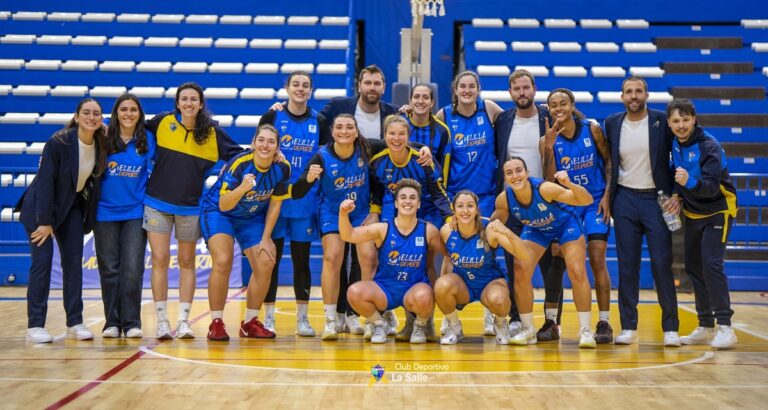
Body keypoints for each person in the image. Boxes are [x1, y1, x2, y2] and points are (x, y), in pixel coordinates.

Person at [144, 82, 243, 339]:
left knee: (187, 262)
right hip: (156, 204)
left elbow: (240, 157)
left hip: (190, 207)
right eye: (184, 99)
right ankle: (162, 321)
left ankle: (184, 321)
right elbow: (130, 131)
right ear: (177, 103)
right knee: (160, 260)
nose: (188, 103)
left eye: (193, 100)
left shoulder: (213, 133)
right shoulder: (162, 123)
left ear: (201, 104)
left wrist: (267, 156)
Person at [17, 98, 106, 343]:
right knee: (42, 263)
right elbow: (45, 184)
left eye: (96, 113)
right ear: (77, 117)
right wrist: (45, 222)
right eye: (86, 113)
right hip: (40, 209)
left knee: (73, 265)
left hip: (71, 209)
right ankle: (35, 325)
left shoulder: (101, 143)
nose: (91, 117)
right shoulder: (59, 142)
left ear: (101, 119)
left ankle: (75, 322)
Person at [604, 76, 681, 346]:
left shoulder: (662, 121)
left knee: (662, 263)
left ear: (646, 95)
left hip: (656, 200)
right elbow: (610, 163)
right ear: (622, 96)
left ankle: (671, 328)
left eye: (638, 91)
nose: (634, 96)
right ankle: (628, 327)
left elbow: (680, 155)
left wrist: (676, 193)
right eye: (629, 92)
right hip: (624, 199)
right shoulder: (612, 123)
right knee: (628, 266)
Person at [493, 69, 566, 341]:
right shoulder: (503, 120)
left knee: (551, 265)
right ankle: (517, 319)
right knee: (516, 266)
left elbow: (575, 119)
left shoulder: (549, 117)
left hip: (546, 202)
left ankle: (551, 322)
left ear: (534, 89)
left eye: (526, 88)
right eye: (516, 89)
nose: (521, 93)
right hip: (514, 203)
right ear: (510, 93)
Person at [493, 157, 597, 348]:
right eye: (509, 173)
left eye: (519, 170)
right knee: (520, 270)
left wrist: (569, 184)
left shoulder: (545, 188)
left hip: (566, 225)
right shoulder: (504, 199)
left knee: (577, 271)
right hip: (537, 229)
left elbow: (587, 200)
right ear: (505, 178)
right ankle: (528, 329)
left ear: (527, 173)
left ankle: (585, 330)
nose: (515, 176)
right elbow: (492, 224)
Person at [291, 114, 378, 340]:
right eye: (339, 127)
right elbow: (297, 191)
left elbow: (396, 142)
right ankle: (331, 320)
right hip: (332, 211)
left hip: (360, 212)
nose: (344, 131)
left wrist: (422, 150)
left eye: (349, 127)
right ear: (332, 132)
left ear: (356, 131)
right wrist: (308, 179)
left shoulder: (366, 148)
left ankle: (369, 317)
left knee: (368, 257)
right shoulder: (321, 157)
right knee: (333, 256)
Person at [202, 124, 290, 341]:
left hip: (250, 217)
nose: (265, 145)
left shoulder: (282, 168)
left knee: (266, 261)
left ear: (277, 147)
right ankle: (216, 322)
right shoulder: (240, 164)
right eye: (261, 140)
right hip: (220, 211)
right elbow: (223, 204)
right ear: (253, 143)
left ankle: (250, 322)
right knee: (223, 260)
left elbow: (275, 205)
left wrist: (266, 238)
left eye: (271, 141)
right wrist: (242, 188)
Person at [258, 71, 329, 336]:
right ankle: (268, 318)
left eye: (306, 85)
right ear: (287, 88)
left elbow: (324, 159)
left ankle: (302, 319)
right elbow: (258, 150)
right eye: (296, 84)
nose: (300, 89)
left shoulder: (319, 121)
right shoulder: (272, 116)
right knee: (271, 261)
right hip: (275, 199)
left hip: (304, 200)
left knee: (302, 261)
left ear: (311, 90)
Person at [540, 88, 614, 343]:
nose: (558, 108)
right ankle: (551, 321)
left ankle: (604, 322)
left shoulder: (592, 129)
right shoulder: (546, 139)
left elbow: (608, 162)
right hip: (567, 206)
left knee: (596, 259)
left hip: (594, 203)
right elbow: (549, 180)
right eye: (553, 105)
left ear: (572, 105)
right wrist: (549, 148)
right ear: (548, 109)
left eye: (563, 103)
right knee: (558, 259)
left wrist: (607, 196)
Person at [667, 99, 738, 349]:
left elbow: (709, 187)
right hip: (694, 214)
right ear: (669, 124)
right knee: (694, 268)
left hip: (718, 210)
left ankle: (726, 327)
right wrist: (676, 193)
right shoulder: (674, 144)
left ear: (694, 119)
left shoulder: (709, 145)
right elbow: (676, 176)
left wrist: (687, 183)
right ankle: (706, 324)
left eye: (686, 119)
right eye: (676, 121)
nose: (681, 125)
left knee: (711, 265)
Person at [437, 70, 503, 336]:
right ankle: (447, 313)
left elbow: (515, 120)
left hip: (486, 195)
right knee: (449, 249)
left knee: (488, 251)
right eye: (462, 86)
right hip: (455, 195)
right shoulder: (444, 115)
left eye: (471, 86)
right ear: (455, 89)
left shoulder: (489, 109)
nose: (466, 90)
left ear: (478, 88)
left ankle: (490, 313)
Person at [342, 179, 448, 343]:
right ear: (396, 204)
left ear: (419, 204)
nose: (408, 201)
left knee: (426, 294)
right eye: (403, 197)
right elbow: (348, 235)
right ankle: (379, 324)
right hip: (385, 289)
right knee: (354, 292)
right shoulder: (383, 228)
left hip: (414, 288)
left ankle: (420, 326)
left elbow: (451, 253)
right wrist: (343, 214)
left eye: (412, 198)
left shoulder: (429, 231)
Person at [94, 94, 154, 339]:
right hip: (104, 213)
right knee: (109, 269)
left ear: (140, 114)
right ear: (116, 113)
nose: (128, 114)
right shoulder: (103, 138)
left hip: (135, 213)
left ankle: (131, 323)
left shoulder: (148, 139)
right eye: (123, 109)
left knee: (132, 269)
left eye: (133, 110)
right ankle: (112, 322)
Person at [435, 190, 528, 345]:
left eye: (470, 206)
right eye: (460, 206)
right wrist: (442, 292)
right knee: (441, 285)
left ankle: (499, 323)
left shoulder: (489, 229)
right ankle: (454, 326)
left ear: (477, 209)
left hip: (489, 283)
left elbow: (524, 254)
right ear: (454, 210)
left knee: (498, 299)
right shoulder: (447, 231)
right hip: (463, 284)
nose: (465, 211)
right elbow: (447, 259)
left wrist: (507, 231)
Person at [369, 115, 453, 228]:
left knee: (430, 238)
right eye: (392, 133)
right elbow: (377, 191)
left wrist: (450, 217)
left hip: (426, 209)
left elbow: (438, 193)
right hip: (394, 209)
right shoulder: (377, 163)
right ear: (385, 135)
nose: (396, 138)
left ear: (408, 135)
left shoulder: (423, 159)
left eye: (402, 133)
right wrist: (374, 211)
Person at [320, 64, 399, 140]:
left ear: (384, 88)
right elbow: (313, 123)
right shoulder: (337, 106)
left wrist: (410, 114)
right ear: (359, 86)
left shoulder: (394, 113)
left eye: (377, 83)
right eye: (367, 83)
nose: (372, 88)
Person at [403, 83, 452, 182]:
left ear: (432, 102)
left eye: (425, 97)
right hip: (401, 192)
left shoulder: (442, 131)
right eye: (416, 97)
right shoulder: (399, 125)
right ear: (410, 101)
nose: (420, 101)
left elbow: (444, 171)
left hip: (430, 194)